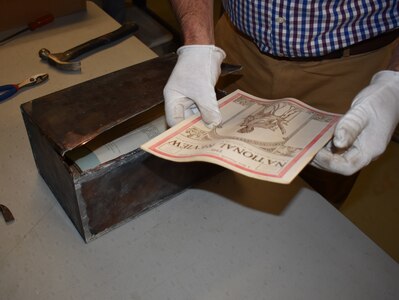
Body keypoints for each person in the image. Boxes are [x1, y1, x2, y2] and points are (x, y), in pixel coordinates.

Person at [163, 0, 399, 204]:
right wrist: (197, 42)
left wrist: (395, 83)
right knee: (210, 174)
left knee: (319, 191)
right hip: (234, 50)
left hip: (349, 69)